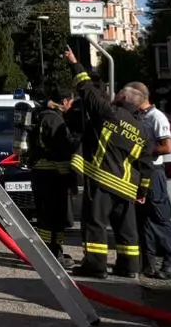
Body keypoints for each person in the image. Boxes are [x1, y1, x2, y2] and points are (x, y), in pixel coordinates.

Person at [65, 51, 152, 279]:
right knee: (126, 229)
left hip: (102, 179)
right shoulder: (142, 130)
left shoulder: (108, 113)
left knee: (95, 224)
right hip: (127, 187)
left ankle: (96, 266)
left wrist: (75, 63)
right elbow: (146, 165)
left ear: (123, 97)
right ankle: (129, 267)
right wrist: (142, 191)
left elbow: (86, 89)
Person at [126, 82, 171, 281]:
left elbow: (167, 147)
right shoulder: (137, 117)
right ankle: (147, 264)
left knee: (159, 218)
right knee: (143, 220)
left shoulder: (157, 117)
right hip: (139, 172)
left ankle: (169, 264)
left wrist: (144, 151)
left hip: (154, 172)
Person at [28, 85, 79, 262]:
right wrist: (70, 181)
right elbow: (62, 154)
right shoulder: (56, 121)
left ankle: (51, 251)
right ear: (65, 101)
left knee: (45, 217)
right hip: (53, 176)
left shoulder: (40, 116)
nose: (71, 106)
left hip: (39, 174)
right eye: (71, 102)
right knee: (55, 218)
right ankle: (54, 255)